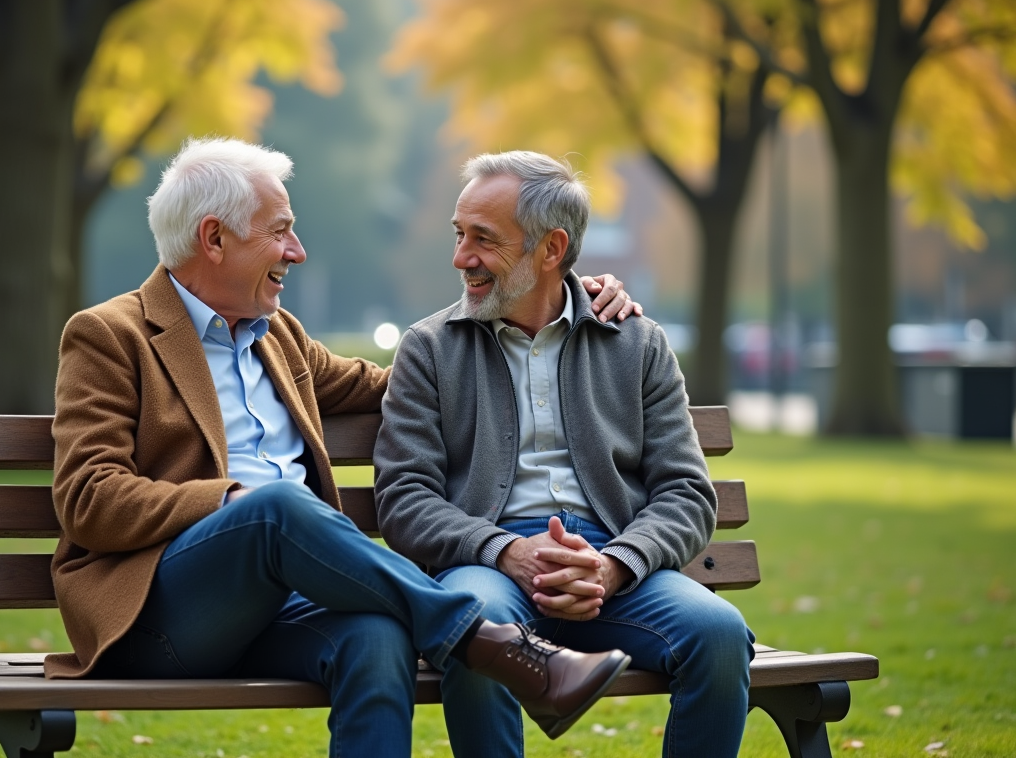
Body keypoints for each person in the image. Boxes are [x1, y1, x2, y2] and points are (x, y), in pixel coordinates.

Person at [46, 137, 645, 756]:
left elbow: (418, 386)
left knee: (377, 638)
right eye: (279, 232)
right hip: (163, 618)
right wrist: (232, 502)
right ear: (214, 238)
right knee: (275, 506)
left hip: (285, 605)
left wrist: (563, 293)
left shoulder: (280, 337)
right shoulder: (110, 336)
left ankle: (483, 642)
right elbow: (90, 498)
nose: (297, 252)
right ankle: (489, 642)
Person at [375, 150, 756, 758]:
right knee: (478, 628)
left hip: (614, 566)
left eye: (483, 239)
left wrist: (615, 565)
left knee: (717, 632)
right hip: (489, 566)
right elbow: (403, 498)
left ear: (551, 250)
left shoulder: (636, 342)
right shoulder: (428, 349)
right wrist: (507, 551)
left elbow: (686, 492)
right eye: (458, 234)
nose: (460, 258)